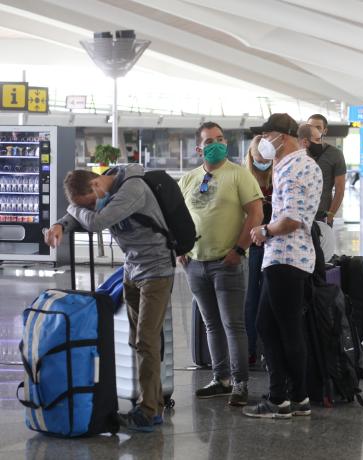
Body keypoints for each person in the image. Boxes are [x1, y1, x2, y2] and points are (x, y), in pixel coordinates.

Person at [44, 164, 173, 432]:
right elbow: (84, 215)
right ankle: (152, 403)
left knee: (146, 340)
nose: (93, 207)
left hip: (157, 271)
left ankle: (148, 411)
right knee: (137, 340)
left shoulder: (132, 188)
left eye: (91, 202)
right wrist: (61, 224)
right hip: (132, 269)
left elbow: (96, 222)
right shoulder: (103, 193)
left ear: (95, 185)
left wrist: (70, 211)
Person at [178, 122, 264, 406]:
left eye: (220, 139)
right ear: (198, 148)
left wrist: (239, 250)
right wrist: (180, 249)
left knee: (233, 325)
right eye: (209, 140)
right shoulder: (189, 178)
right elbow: (175, 216)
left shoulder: (240, 175)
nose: (216, 144)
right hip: (196, 263)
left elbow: (255, 214)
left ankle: (240, 383)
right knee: (211, 324)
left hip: (228, 262)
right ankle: (221, 378)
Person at [243, 115, 323, 419]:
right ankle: (292, 396)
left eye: (268, 134)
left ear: (284, 136)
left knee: (284, 329)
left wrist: (264, 231)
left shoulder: (293, 168)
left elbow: (291, 219)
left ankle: (285, 398)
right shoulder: (301, 165)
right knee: (272, 326)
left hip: (285, 258)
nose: (263, 140)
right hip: (292, 258)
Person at [243, 135, 273, 366]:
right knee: (250, 299)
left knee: (272, 298)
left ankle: (271, 351)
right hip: (253, 247)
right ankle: (251, 348)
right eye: (257, 159)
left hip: (276, 244)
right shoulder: (244, 179)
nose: (261, 163)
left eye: (265, 159)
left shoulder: (280, 176)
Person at [306, 114, 346, 226]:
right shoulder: (297, 151)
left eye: (318, 127)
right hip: (298, 213)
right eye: (310, 126)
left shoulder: (335, 154)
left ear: (325, 131)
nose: (313, 130)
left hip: (322, 213)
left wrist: (330, 215)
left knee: (321, 243)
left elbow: (340, 189)